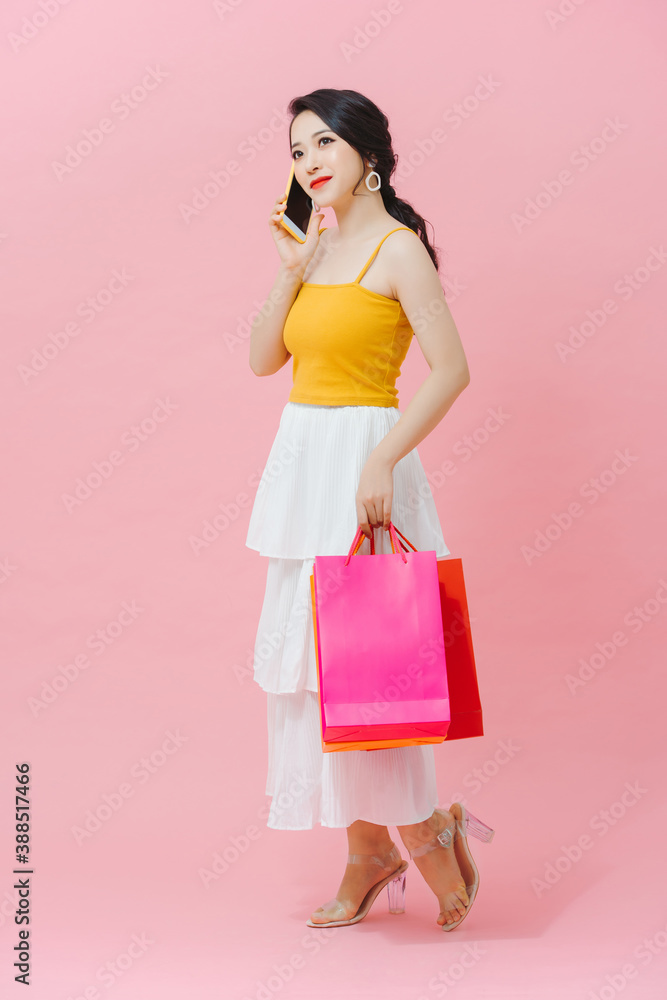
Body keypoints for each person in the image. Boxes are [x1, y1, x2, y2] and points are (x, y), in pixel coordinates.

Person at [245, 88, 494, 931]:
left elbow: (451, 368)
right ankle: (367, 850)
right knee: (316, 675)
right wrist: (287, 272)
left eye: (322, 143)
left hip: (364, 464)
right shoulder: (310, 249)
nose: (308, 161)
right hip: (302, 467)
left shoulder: (397, 250)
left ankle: (424, 829)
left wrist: (383, 457)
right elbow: (260, 361)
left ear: (367, 154)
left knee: (377, 664)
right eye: (296, 149)